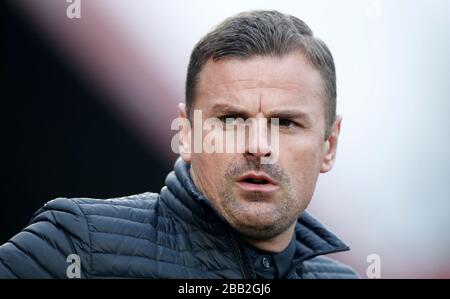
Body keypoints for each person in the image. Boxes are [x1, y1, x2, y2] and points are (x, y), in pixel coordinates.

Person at [0, 10, 359, 279]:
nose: (258, 146)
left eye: (285, 123)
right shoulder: (79, 246)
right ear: (187, 134)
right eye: (231, 120)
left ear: (329, 145)